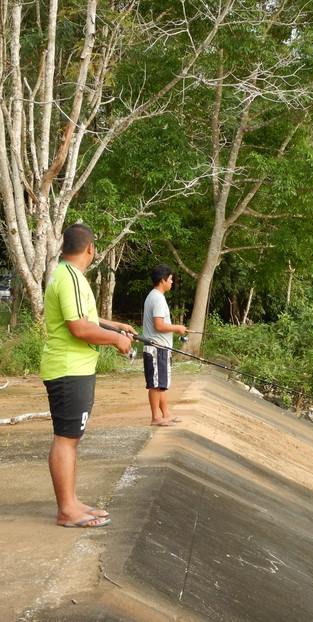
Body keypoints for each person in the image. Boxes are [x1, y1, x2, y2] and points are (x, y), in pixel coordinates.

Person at [40, 223, 134, 529]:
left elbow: (86, 318)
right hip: (69, 370)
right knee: (66, 439)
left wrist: (115, 326)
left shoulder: (69, 275)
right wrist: (117, 341)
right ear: (90, 248)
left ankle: (72, 501)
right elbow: (78, 328)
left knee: (72, 438)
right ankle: (66, 510)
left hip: (75, 368)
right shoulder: (69, 278)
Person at [142, 264, 187, 426]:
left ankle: (165, 414)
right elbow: (159, 326)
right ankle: (156, 417)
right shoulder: (158, 298)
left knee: (161, 384)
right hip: (157, 348)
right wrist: (178, 328)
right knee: (156, 385)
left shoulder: (155, 296)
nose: (172, 282)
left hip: (160, 348)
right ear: (163, 280)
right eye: (170, 279)